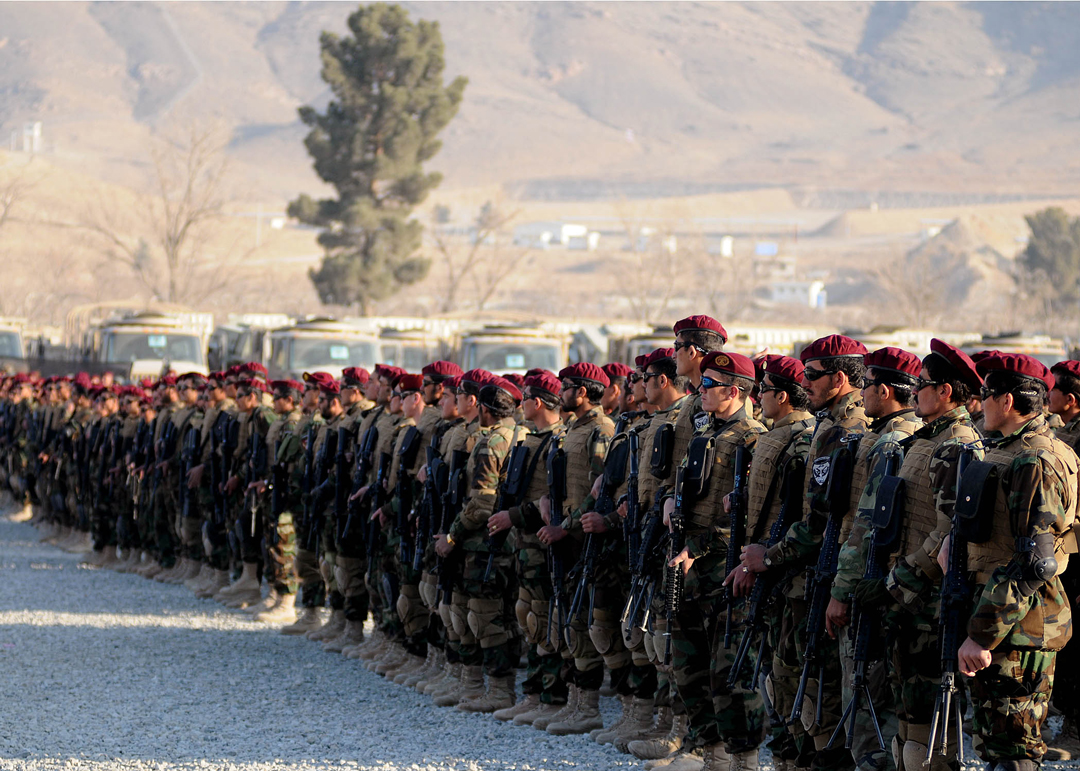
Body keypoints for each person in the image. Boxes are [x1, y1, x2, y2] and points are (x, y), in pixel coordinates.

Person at [741, 334, 870, 770]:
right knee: (798, 684)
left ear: (838, 378)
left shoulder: (843, 432)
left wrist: (770, 557)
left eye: (812, 376)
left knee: (818, 693)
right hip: (811, 576)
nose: (805, 384)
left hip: (823, 578)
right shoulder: (828, 427)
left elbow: (820, 524)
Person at [948, 353, 1077, 771]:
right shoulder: (1013, 451)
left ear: (1007, 402)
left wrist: (982, 635)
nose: (979, 402)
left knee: (1014, 751)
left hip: (1019, 627)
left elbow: (1034, 564)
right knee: (996, 743)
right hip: (1007, 619)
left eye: (986, 394)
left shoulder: (1035, 459)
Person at [663, 351, 766, 771]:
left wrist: (698, 548)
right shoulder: (704, 431)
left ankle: (743, 758)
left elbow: (752, 520)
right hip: (686, 569)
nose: (699, 391)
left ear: (733, 390)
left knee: (730, 675)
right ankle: (713, 755)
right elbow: (684, 486)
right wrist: (669, 500)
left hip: (723, 572)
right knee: (688, 667)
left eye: (708, 385)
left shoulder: (754, 439)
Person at [826, 347, 923, 771]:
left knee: (866, 692)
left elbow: (866, 526)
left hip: (872, 582)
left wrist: (841, 592)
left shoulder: (888, 443)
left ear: (884, 391)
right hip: (895, 582)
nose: (861, 393)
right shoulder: (913, 435)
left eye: (866, 385)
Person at [723, 354, 814, 771]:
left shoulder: (800, 441)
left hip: (787, 575)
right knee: (775, 675)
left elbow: (795, 517)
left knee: (790, 679)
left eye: (763, 390)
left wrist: (761, 560)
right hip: (768, 570)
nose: (756, 397)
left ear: (782, 395)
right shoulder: (776, 436)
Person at [536, 362, 616, 735]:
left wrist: (564, 526)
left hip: (583, 539)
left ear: (582, 392)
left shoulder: (600, 430)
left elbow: (601, 493)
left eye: (566, 386)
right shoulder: (573, 429)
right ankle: (572, 702)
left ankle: (587, 707)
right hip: (566, 535)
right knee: (566, 618)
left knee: (584, 624)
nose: (561, 392)